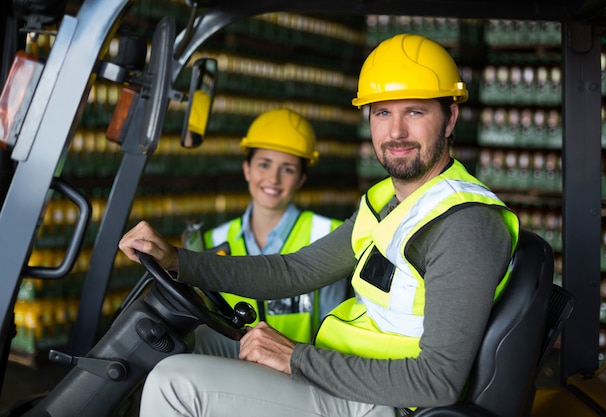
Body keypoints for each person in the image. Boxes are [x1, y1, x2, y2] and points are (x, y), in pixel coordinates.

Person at [119, 33, 520, 417]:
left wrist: (295, 357)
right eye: (383, 112)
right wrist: (178, 260)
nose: (396, 132)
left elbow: (437, 382)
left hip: (387, 403)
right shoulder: (387, 202)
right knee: (193, 342)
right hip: (349, 374)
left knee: (172, 383)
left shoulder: (465, 224)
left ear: (449, 119)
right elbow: (294, 270)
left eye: (415, 111)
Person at [184, 107, 349, 345]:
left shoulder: (329, 235)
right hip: (230, 374)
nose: (273, 179)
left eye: (288, 169)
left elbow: (334, 330)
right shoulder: (213, 242)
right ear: (246, 169)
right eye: (264, 164)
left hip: (299, 375)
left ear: (301, 179)